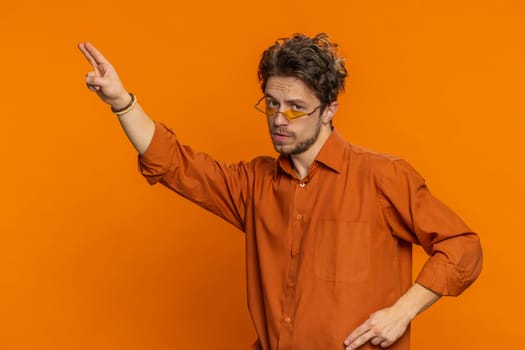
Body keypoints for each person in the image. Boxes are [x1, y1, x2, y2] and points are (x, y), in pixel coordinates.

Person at [78, 33, 482, 350]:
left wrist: (401, 312)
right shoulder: (255, 184)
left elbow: (462, 246)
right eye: (271, 104)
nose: (279, 119)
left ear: (329, 110)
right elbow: (176, 164)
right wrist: (120, 102)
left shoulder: (383, 177)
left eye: (295, 107)